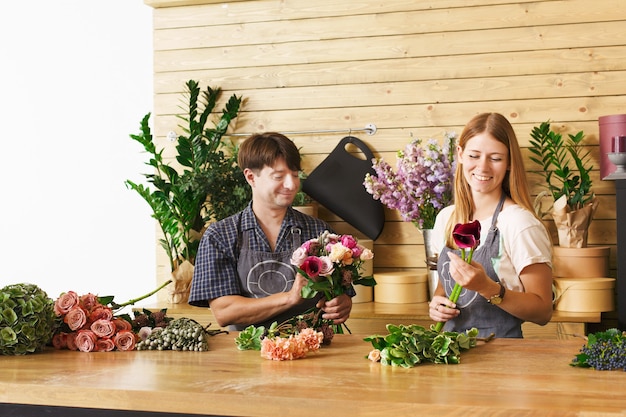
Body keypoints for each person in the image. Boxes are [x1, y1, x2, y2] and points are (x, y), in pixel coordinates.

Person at [188, 132, 353, 330]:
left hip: (312, 350)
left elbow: (341, 294)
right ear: (251, 177)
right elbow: (224, 312)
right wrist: (289, 298)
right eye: (278, 176)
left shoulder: (319, 231)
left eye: (294, 175)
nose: (291, 184)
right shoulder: (220, 236)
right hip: (246, 353)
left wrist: (342, 304)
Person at [429, 112, 553, 338]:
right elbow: (444, 284)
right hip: (449, 357)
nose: (483, 168)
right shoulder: (446, 219)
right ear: (461, 154)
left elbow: (543, 311)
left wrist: (487, 287)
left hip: (503, 360)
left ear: (508, 163)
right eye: (474, 155)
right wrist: (438, 304)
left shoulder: (519, 223)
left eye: (495, 158)